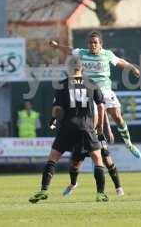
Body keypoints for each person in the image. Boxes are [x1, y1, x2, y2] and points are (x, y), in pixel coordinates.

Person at [49, 31, 141, 159]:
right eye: (90, 43)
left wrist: (132, 68)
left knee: (118, 117)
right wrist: (57, 46)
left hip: (106, 91)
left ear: (100, 44)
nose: (92, 45)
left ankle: (129, 144)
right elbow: (70, 50)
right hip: (91, 92)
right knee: (96, 119)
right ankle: (95, 148)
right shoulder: (82, 53)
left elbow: (120, 61)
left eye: (95, 42)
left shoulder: (107, 54)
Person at [29, 56, 109, 203]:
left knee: (53, 158)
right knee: (98, 159)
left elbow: (57, 109)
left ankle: (44, 190)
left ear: (69, 68)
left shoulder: (62, 84)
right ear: (82, 68)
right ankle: (100, 193)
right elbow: (101, 106)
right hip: (87, 127)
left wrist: (53, 119)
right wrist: (99, 127)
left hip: (67, 127)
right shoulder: (91, 83)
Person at [62, 113, 125, 197]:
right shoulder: (76, 102)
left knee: (107, 160)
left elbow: (103, 112)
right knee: (75, 164)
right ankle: (73, 184)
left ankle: (118, 188)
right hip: (81, 135)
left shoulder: (96, 101)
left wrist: (108, 130)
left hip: (96, 135)